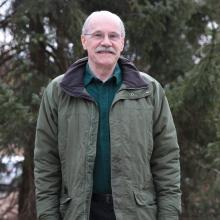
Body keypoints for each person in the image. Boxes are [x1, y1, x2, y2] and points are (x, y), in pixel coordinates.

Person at [34, 10, 181, 220]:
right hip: (78, 212)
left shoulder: (149, 90)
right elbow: (46, 161)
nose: (106, 42)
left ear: (122, 43)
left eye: (113, 36)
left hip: (137, 213)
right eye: (97, 35)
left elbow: (166, 158)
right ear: (84, 41)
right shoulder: (59, 91)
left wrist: (169, 215)